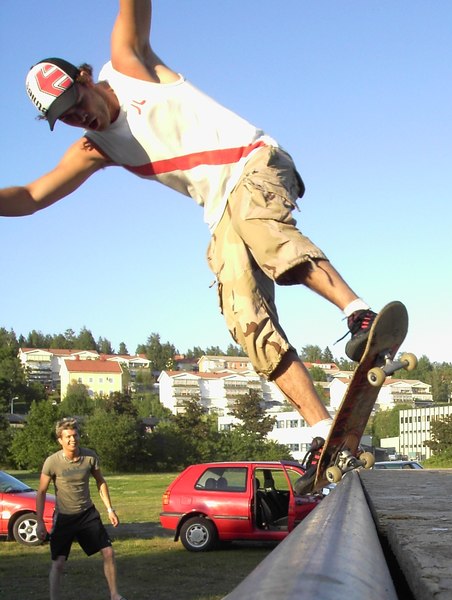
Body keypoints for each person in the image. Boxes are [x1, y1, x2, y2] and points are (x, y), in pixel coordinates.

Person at [3, 0, 381, 490]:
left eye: (78, 104)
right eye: (69, 118)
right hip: (219, 210)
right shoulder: (95, 149)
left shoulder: (129, 63)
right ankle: (323, 430)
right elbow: (33, 196)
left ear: (85, 76)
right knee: (246, 320)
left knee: (262, 231)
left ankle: (358, 313)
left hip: (256, 163)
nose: (82, 118)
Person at [35, 418, 130, 600]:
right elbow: (41, 492)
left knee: (108, 552)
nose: (73, 440)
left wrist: (110, 509)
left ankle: (115, 597)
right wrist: (39, 522)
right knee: (58, 563)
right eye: (68, 437)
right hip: (64, 517)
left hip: (87, 514)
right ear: (60, 440)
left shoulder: (89, 457)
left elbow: (100, 482)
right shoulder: (52, 462)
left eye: (75, 435)